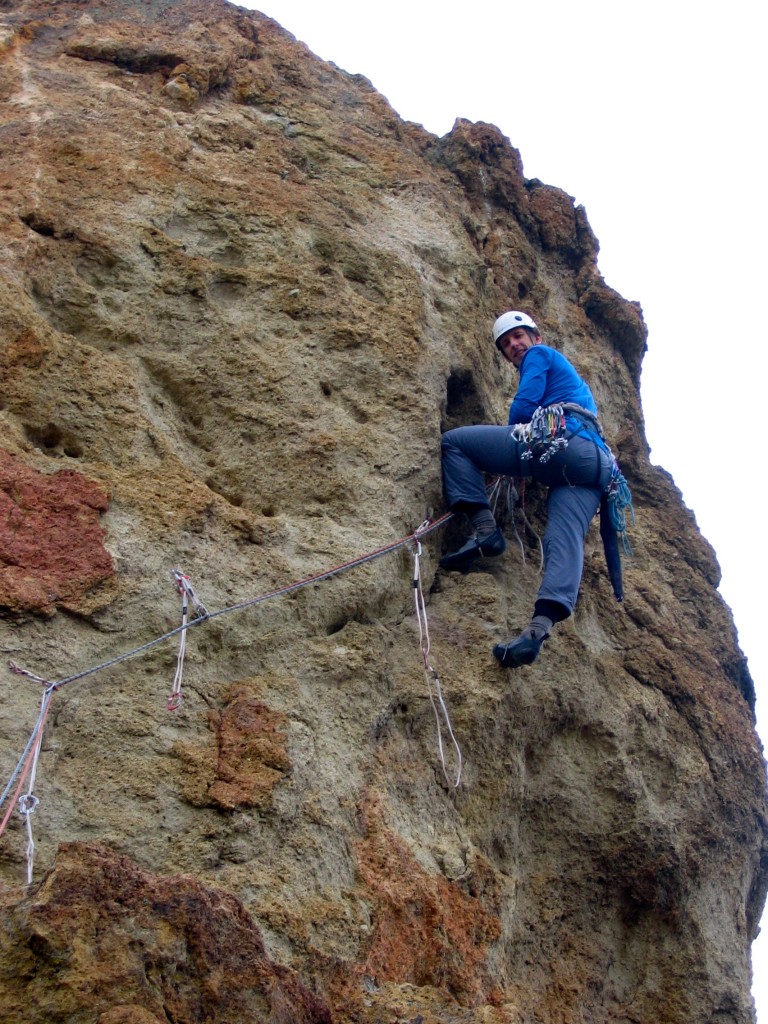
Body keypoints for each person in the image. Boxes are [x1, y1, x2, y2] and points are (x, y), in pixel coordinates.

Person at [440, 310, 623, 668]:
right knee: (562, 540)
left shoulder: (541, 354)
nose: (514, 346)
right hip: (597, 467)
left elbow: (524, 408)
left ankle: (484, 530)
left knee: (455, 442)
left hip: (563, 444)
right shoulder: (579, 388)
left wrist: (510, 449)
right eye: (507, 345)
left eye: (518, 337)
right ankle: (536, 634)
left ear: (535, 337)